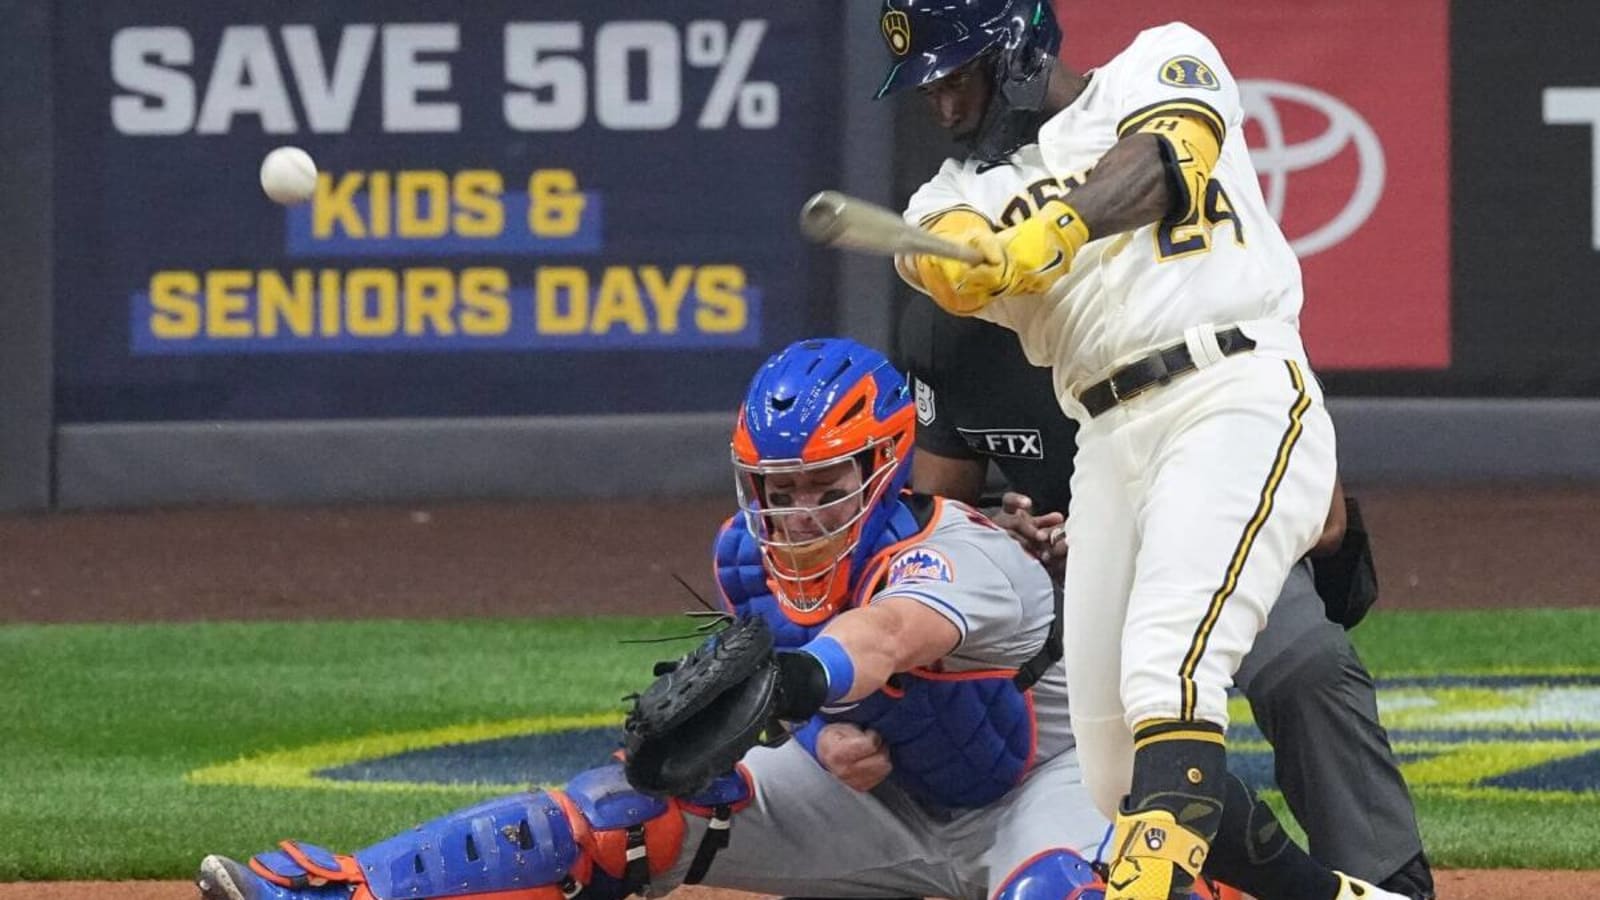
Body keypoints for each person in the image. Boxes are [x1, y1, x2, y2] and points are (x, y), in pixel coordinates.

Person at [191, 339, 1380, 900]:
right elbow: (831, 709)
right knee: (629, 814)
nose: (795, 511)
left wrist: (796, 698)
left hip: (1048, 789)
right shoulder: (746, 559)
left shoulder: (964, 555)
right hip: (887, 815)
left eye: (821, 485)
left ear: (880, 469)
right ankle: (355, 888)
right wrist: (806, 742)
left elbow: (884, 645)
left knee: (1053, 895)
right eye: (775, 488)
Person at [878, 2, 1399, 898]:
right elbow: (943, 257)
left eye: (955, 77)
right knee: (1113, 767)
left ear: (1016, 53)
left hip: (1227, 387)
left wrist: (1051, 232)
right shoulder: (950, 195)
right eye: (927, 86)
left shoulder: (1159, 60)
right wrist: (969, 261)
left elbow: (1165, 164)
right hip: (1108, 441)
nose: (941, 104)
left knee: (1169, 666)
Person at [895, 299, 1434, 898]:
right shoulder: (949, 328)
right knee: (976, 655)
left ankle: (1384, 882)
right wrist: (1003, 528)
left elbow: (1324, 518)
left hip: (1216, 540)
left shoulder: (1197, 292)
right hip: (1061, 579)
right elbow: (941, 519)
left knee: (1307, 665)